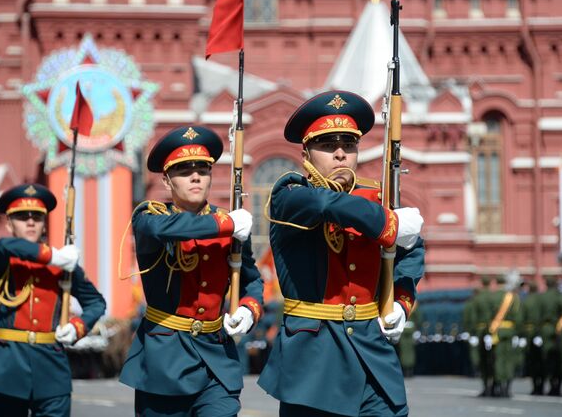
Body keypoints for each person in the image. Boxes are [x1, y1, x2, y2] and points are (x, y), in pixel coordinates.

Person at [257, 90, 425, 416]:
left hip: (372, 356)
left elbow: (412, 251)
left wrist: (401, 302)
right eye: (327, 145)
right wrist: (389, 221)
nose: (339, 154)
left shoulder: (377, 198)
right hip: (314, 362)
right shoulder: (290, 195)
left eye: (349, 145)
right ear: (305, 153)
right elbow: (324, 204)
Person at [119, 125, 263, 417]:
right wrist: (227, 225)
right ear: (167, 180)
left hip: (216, 358)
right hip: (165, 361)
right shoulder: (151, 218)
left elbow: (251, 280)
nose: (196, 176)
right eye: (184, 170)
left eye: (202, 169)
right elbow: (168, 229)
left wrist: (249, 308)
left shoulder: (230, 224)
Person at [0, 183, 106, 417]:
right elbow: (3, 246)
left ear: (44, 222)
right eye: (21, 216)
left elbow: (96, 302)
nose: (30, 222)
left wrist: (77, 328)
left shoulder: (63, 266)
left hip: (51, 368)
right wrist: (51, 256)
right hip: (7, 368)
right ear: (8, 223)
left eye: (36, 216)